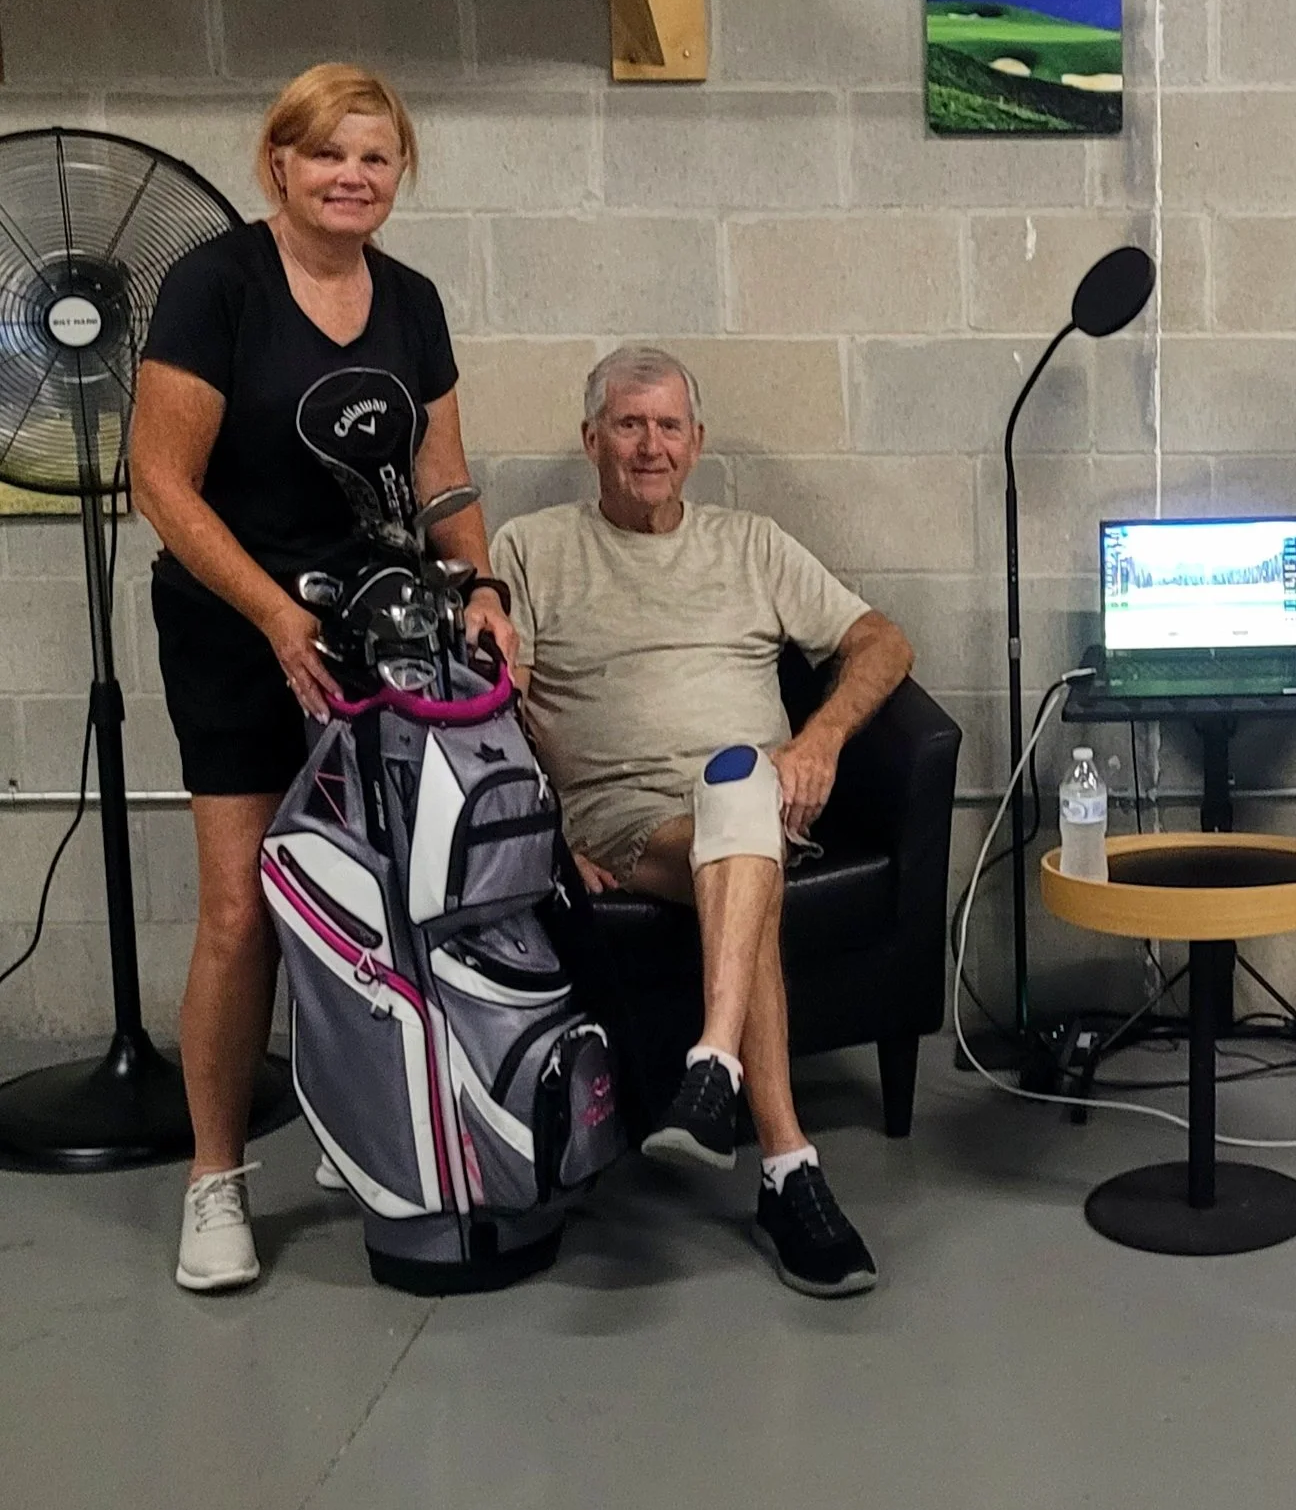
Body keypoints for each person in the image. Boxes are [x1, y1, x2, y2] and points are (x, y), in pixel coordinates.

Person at [131, 64, 518, 1293]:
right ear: (279, 164)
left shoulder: (411, 300)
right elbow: (161, 484)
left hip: (380, 634)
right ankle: (214, 1179)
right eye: (328, 155)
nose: (353, 177)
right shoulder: (217, 287)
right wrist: (270, 615)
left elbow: (442, 479)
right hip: (236, 636)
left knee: (383, 899)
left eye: (376, 158)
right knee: (243, 911)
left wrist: (481, 585)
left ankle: (370, 1127)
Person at [490, 345, 913, 1298]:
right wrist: (548, 837)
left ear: (698, 440)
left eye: (669, 426)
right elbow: (494, 708)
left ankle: (717, 1068)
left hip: (750, 797)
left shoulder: (752, 543)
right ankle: (785, 1166)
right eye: (629, 425)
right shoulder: (528, 548)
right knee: (744, 841)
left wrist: (820, 741)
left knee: (741, 791)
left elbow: (883, 641)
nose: (651, 446)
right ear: (591, 438)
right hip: (627, 823)